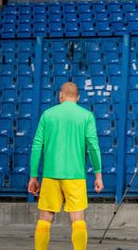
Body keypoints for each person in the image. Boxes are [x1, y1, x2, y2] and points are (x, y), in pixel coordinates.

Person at [28, 82, 103, 250]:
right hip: (75, 175)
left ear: (60, 95)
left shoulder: (48, 114)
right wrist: (98, 175)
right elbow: (93, 146)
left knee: (45, 218)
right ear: (78, 97)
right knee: (78, 218)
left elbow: (36, 146)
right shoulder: (86, 115)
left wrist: (33, 176)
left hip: (50, 174)